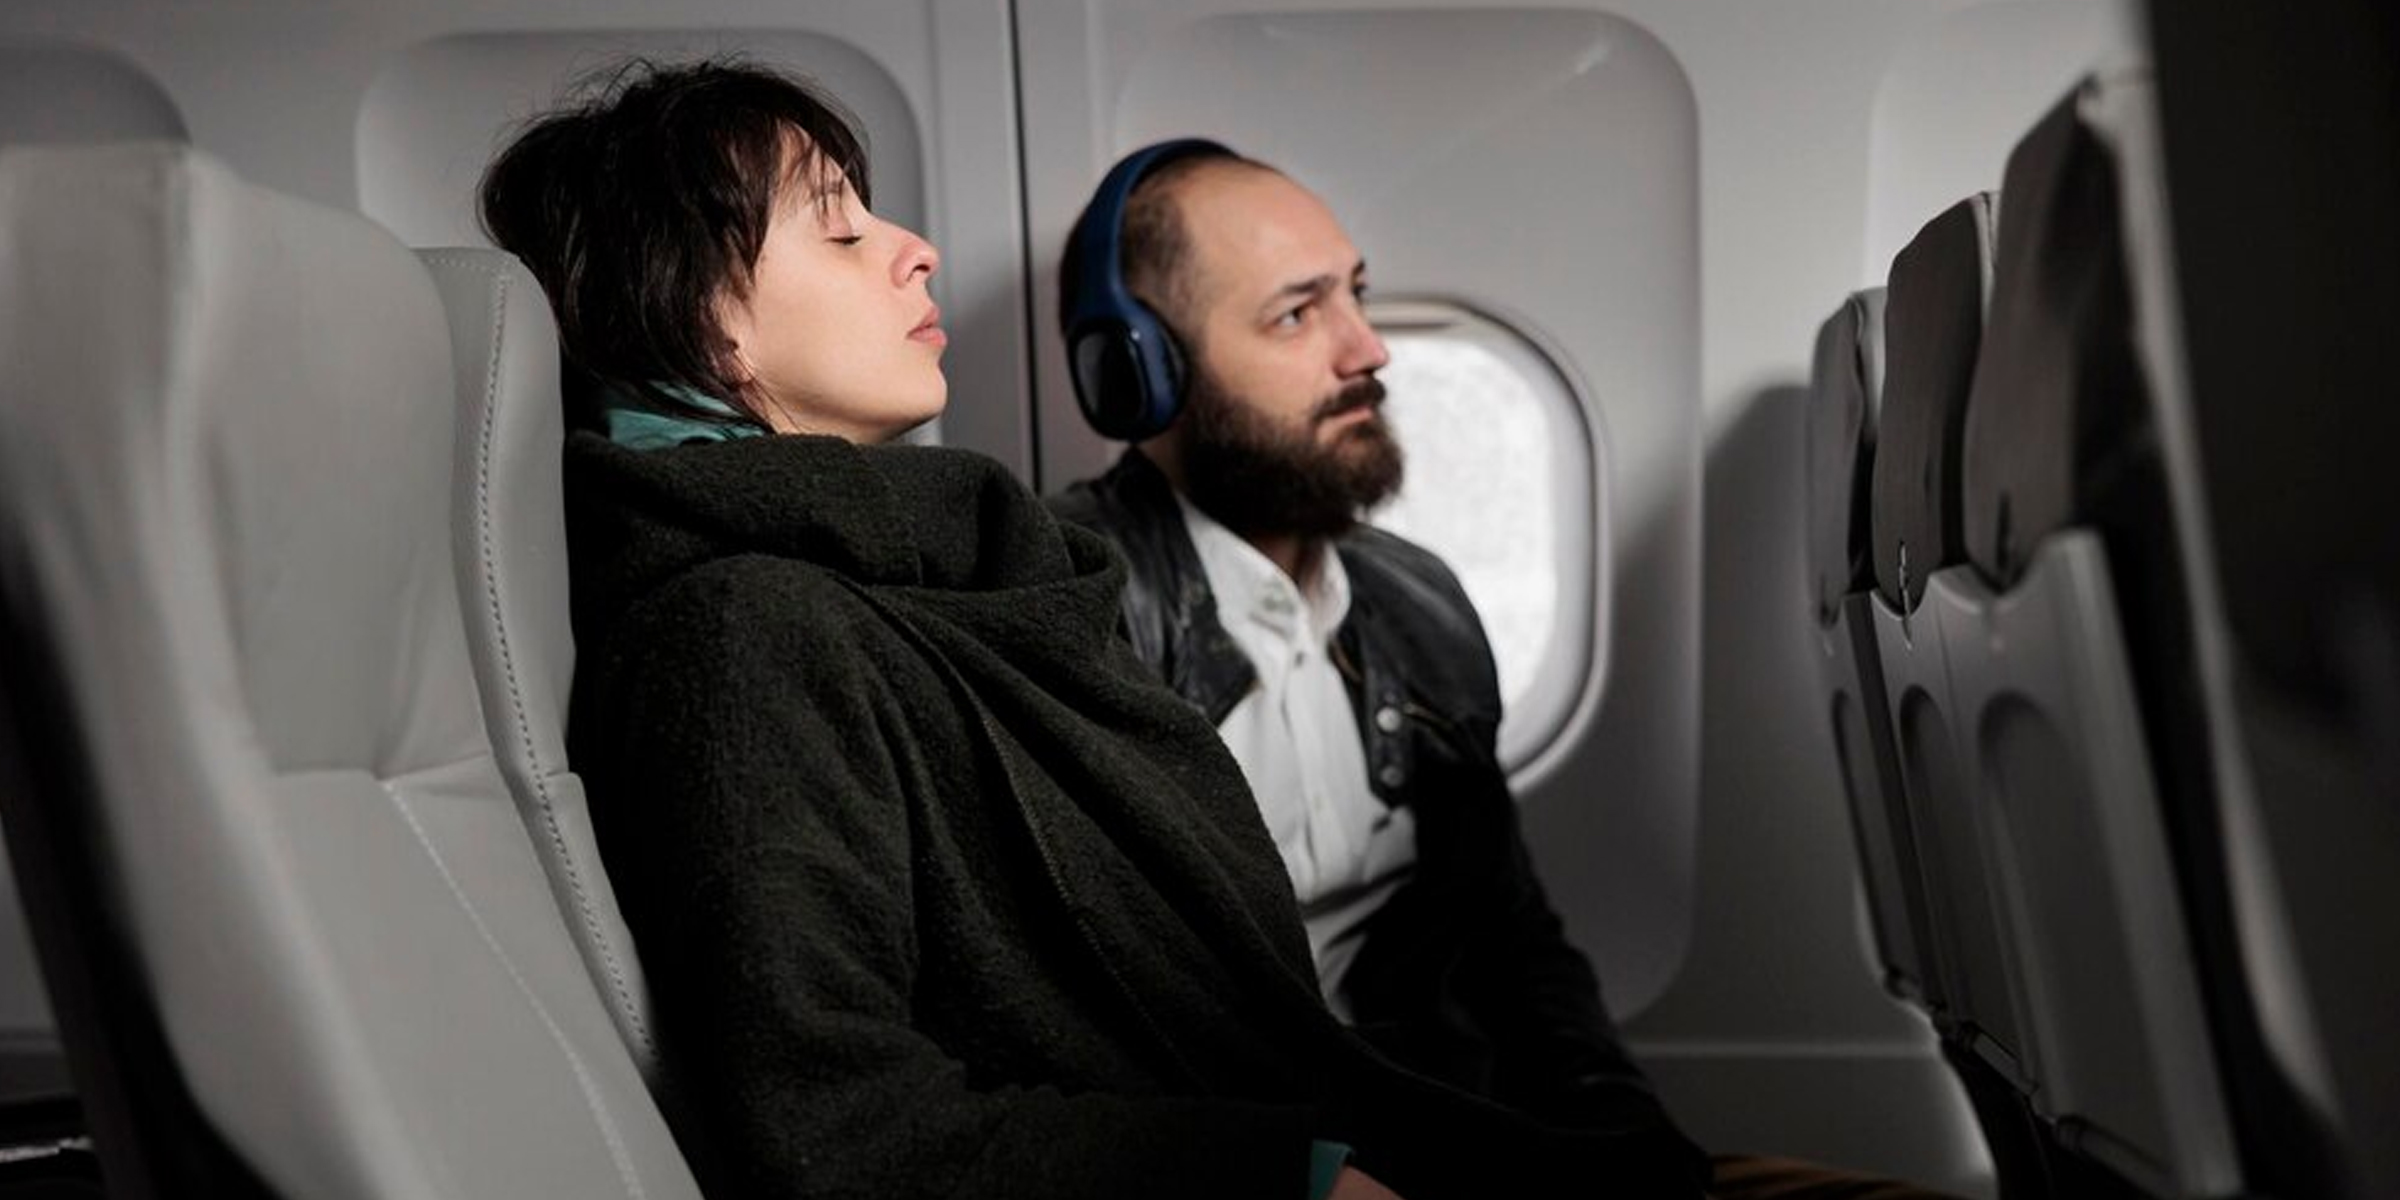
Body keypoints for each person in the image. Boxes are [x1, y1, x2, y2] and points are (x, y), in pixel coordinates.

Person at [479, 59, 1708, 1200]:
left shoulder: (959, 585)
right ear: (709, 323)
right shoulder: (744, 636)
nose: (913, 250)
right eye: (842, 228)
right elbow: (835, 1128)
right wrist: (1293, 1177)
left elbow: (1511, 955)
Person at [1048, 141, 1960, 1200]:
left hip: (1454, 1140)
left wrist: (1634, 1151)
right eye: (1297, 315)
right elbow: (1064, 1012)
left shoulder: (1416, 604)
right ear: (1138, 375)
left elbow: (1515, 947)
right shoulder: (1065, 612)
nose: (1367, 350)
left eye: (1358, 295)